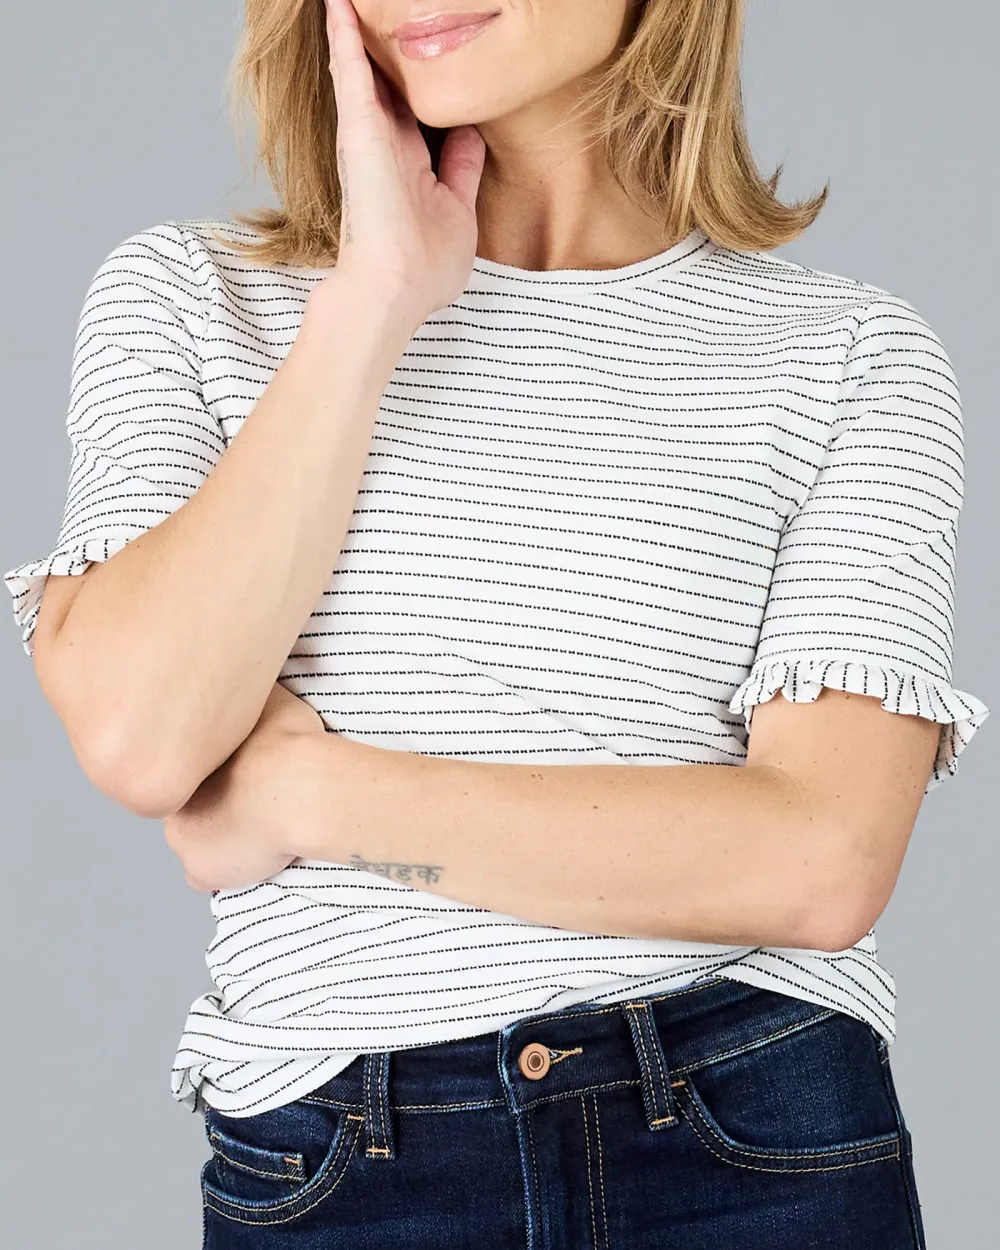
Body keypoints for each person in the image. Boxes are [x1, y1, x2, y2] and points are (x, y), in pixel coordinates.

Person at [3, 0, 989, 1245]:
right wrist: (371, 302)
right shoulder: (194, 301)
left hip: (744, 1132)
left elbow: (820, 860)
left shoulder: (847, 353)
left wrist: (310, 794)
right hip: (340, 1160)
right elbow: (146, 736)